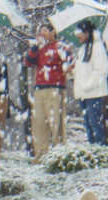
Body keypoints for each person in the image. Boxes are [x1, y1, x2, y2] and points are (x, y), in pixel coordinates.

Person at [24, 23, 73, 163]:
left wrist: (64, 70)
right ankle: (41, 154)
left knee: (56, 122)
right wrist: (35, 47)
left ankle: (59, 153)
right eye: (40, 32)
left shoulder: (61, 47)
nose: (42, 34)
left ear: (53, 32)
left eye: (45, 31)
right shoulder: (39, 49)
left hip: (55, 88)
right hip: (39, 88)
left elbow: (69, 63)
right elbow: (28, 62)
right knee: (39, 123)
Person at [72, 20, 108, 146]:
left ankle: (100, 150)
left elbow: (100, 70)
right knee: (88, 125)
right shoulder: (83, 49)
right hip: (83, 94)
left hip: (94, 93)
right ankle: (92, 149)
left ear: (87, 32)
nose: (78, 37)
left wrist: (87, 85)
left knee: (95, 124)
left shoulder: (98, 47)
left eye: (80, 34)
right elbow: (82, 69)